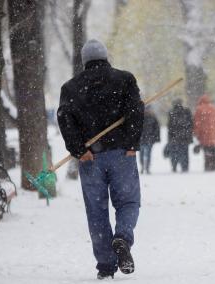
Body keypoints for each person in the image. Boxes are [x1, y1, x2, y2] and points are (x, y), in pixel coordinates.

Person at [57, 39, 144, 280]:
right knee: (128, 202)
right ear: (106, 57)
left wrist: (79, 150)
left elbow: (65, 119)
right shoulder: (125, 79)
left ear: (85, 61)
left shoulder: (71, 88)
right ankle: (122, 237)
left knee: (96, 210)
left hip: (90, 158)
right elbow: (136, 111)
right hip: (121, 155)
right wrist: (131, 144)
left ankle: (105, 265)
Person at [193, 94, 215, 171]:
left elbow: (197, 123)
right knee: (213, 149)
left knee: (206, 149)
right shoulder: (214, 108)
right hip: (213, 133)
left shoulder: (199, 109)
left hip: (204, 134)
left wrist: (196, 132)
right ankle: (214, 164)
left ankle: (208, 164)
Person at [167, 99, 193, 172]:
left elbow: (169, 127)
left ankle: (174, 166)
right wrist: (189, 136)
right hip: (184, 137)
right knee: (184, 153)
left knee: (174, 153)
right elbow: (190, 125)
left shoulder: (171, 112)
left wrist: (169, 138)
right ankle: (185, 167)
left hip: (174, 137)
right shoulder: (186, 111)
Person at [139, 106, 160, 174]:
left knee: (148, 154)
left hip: (149, 139)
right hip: (142, 139)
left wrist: (155, 137)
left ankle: (147, 168)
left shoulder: (153, 117)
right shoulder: (140, 117)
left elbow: (157, 128)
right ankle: (142, 167)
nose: (147, 111)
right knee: (142, 154)